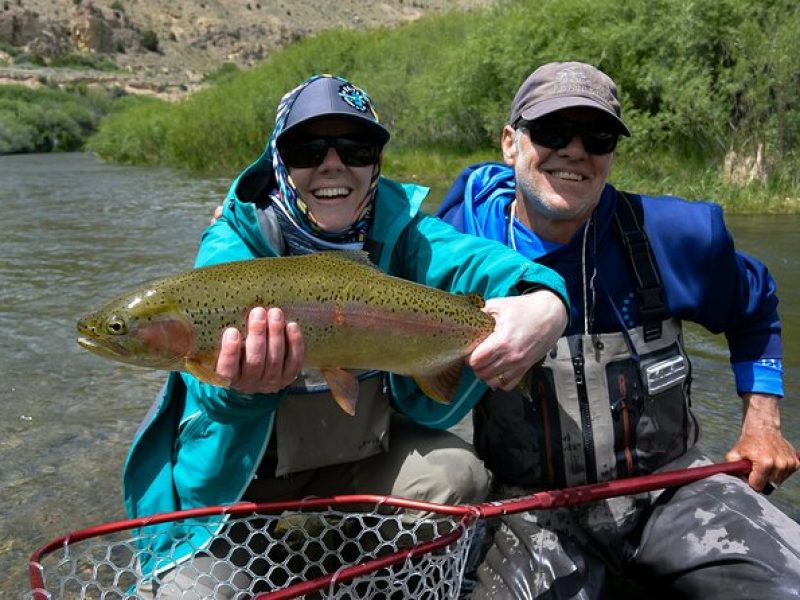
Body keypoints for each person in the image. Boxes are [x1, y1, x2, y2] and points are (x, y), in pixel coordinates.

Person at [124, 74, 570, 598]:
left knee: (457, 477)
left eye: (356, 148)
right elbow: (208, 399)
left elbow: (479, 262)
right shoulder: (233, 244)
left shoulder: (400, 228)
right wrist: (241, 388)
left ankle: (372, 575)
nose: (332, 164)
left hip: (357, 463)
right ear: (278, 160)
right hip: (241, 483)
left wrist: (547, 301)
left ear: (376, 161)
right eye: (307, 149)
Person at [433, 61, 800, 598]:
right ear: (510, 143)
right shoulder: (454, 247)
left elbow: (755, 303)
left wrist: (762, 422)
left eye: (597, 136)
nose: (576, 151)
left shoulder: (676, 236)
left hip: (673, 490)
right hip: (530, 513)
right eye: (553, 132)